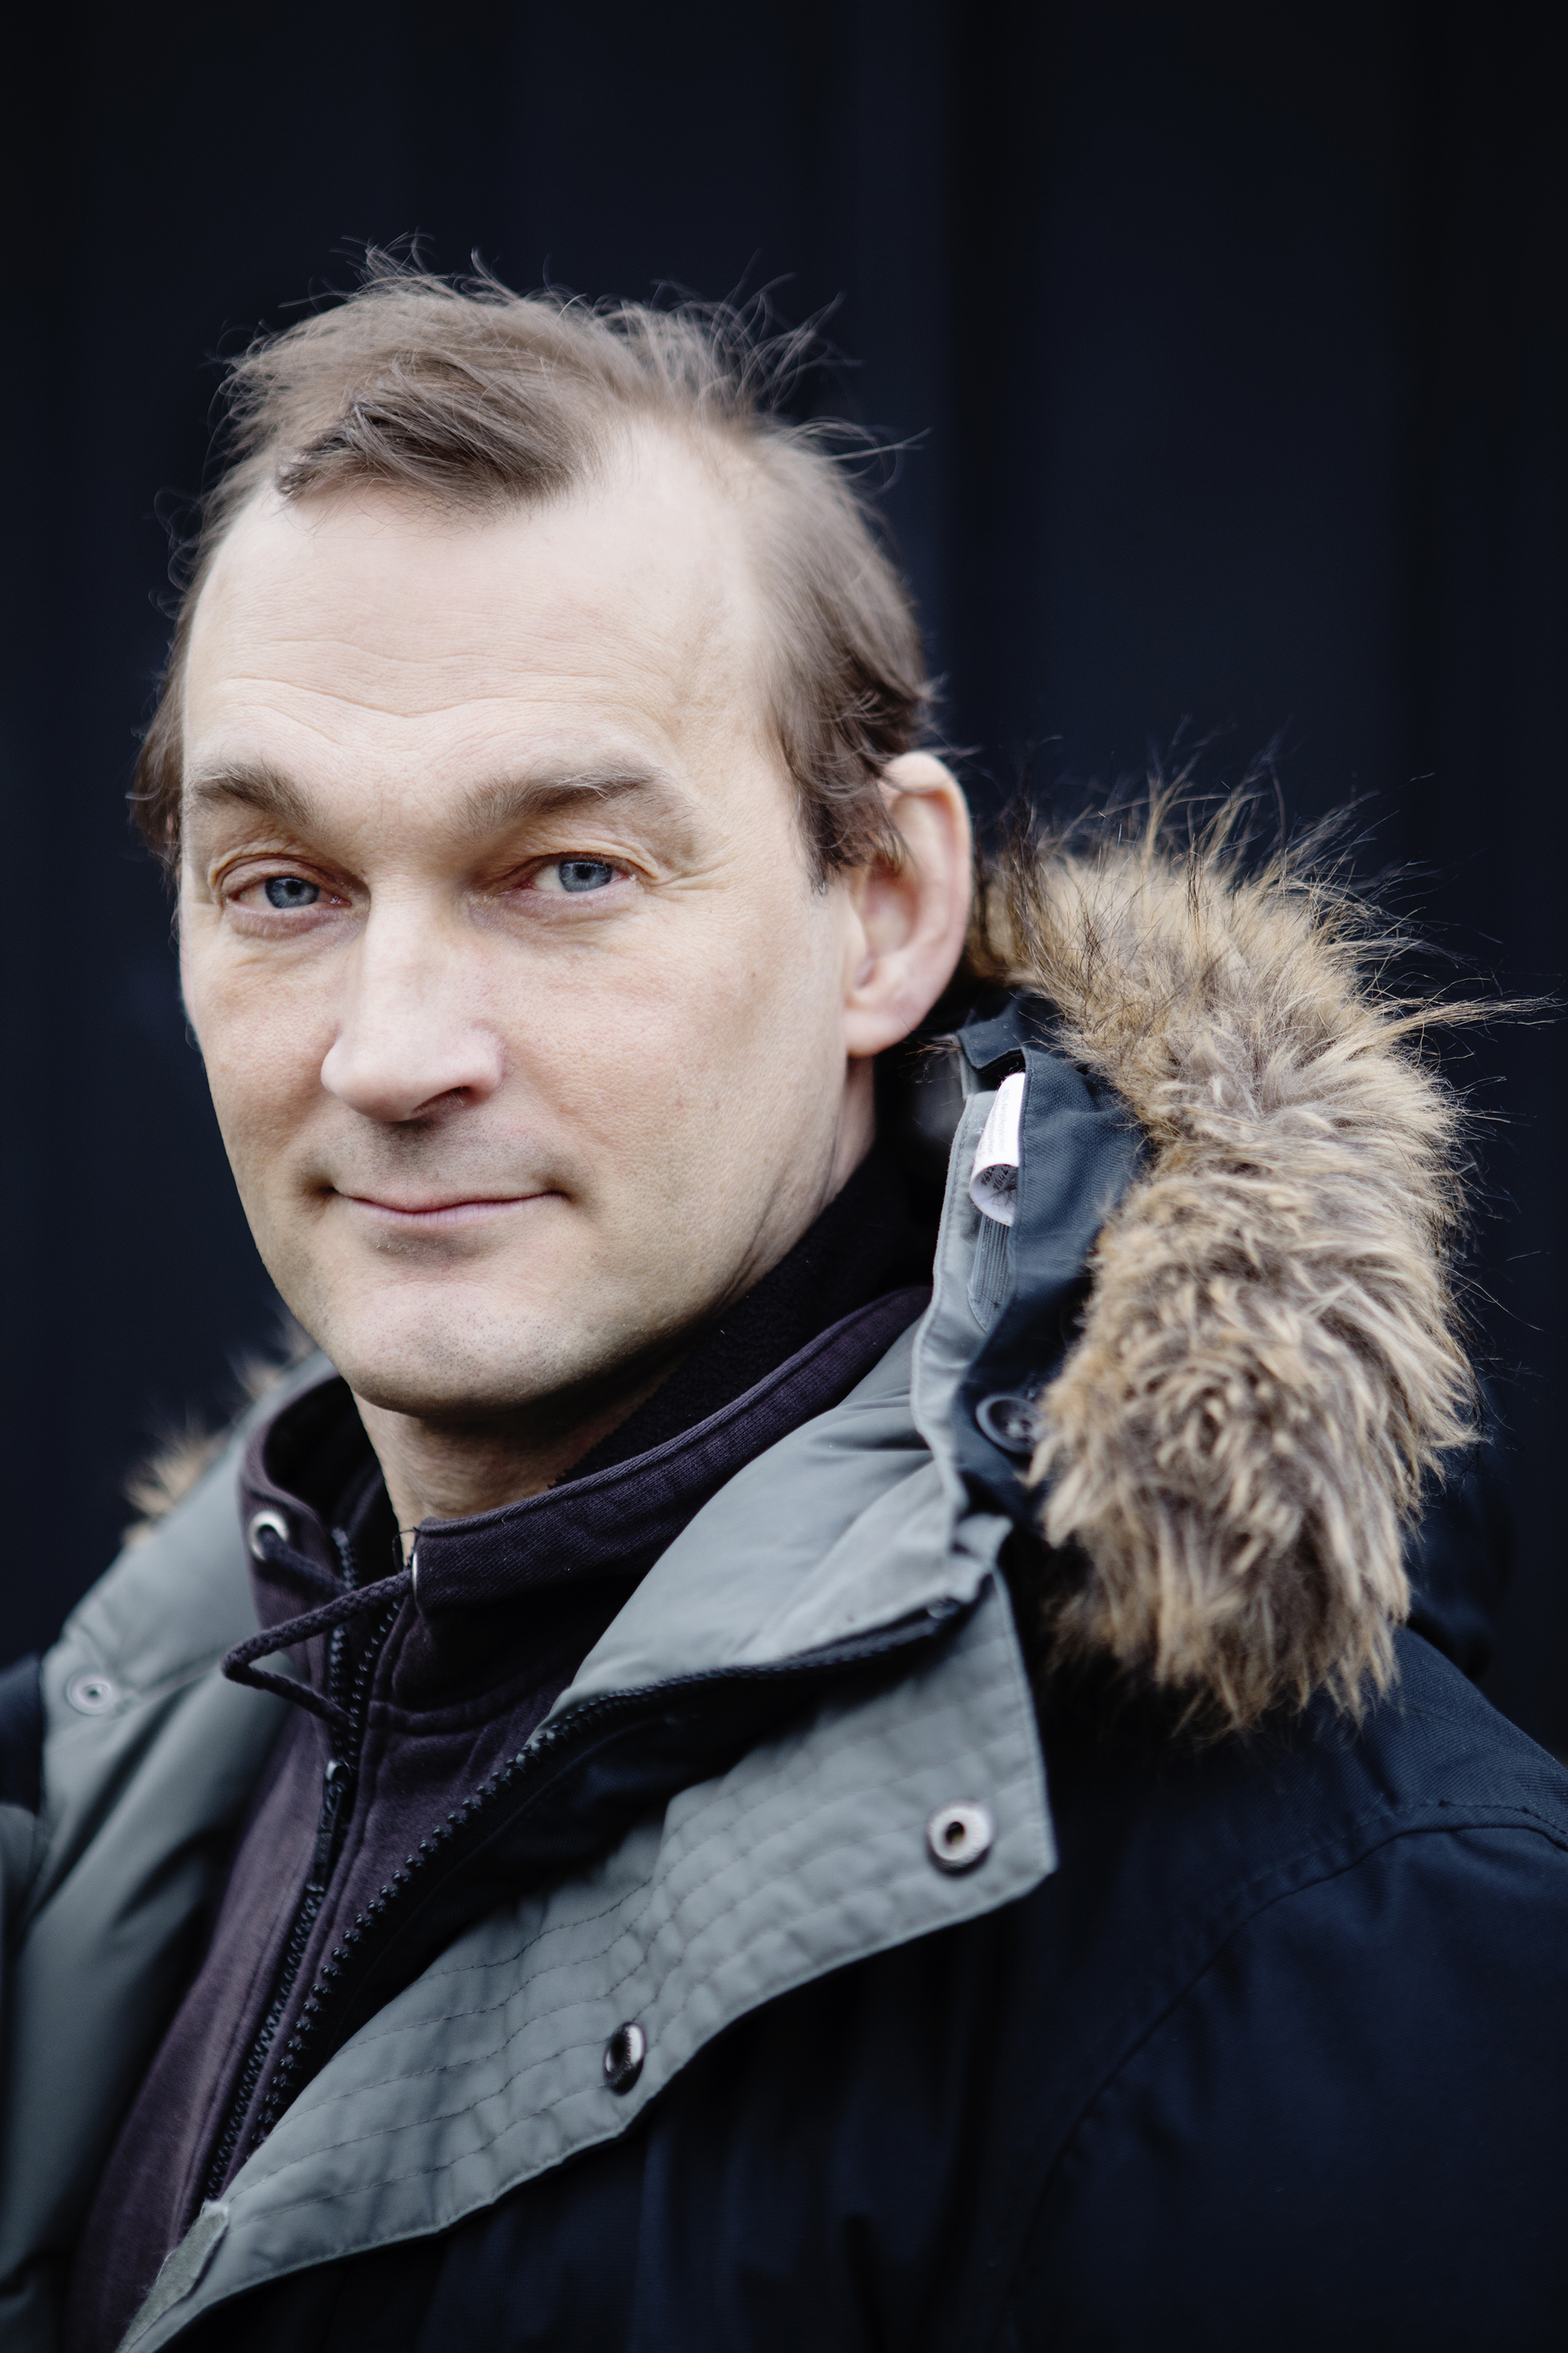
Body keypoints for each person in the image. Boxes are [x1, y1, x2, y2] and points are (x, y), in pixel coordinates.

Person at [0, 262, 1562, 2353]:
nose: (388, 1051)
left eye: (567, 872)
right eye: (283, 885)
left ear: (886, 910)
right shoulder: (145, 1734)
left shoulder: (1317, 1926)